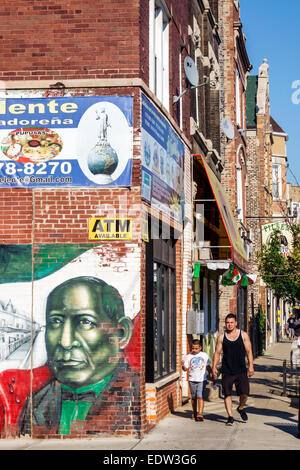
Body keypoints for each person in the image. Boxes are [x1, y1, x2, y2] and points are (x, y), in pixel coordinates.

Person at [20, 276, 136, 436]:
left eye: (85, 322)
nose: (66, 342)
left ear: (121, 333)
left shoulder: (137, 399)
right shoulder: (35, 404)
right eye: (55, 322)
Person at [212, 313, 254, 426]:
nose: (229, 325)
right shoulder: (222, 337)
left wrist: (251, 366)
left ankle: (240, 408)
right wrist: (213, 368)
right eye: (227, 323)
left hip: (241, 369)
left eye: (231, 322)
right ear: (225, 324)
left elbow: (249, 351)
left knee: (244, 393)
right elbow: (217, 353)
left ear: (235, 323)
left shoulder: (243, 335)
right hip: (227, 370)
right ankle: (230, 416)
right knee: (227, 394)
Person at [182, 339, 213, 422]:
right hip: (192, 379)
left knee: (200, 396)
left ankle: (200, 414)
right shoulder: (189, 356)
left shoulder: (204, 355)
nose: (194, 350)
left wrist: (211, 374)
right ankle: (195, 412)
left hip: (202, 380)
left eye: (196, 348)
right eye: (193, 348)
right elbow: (185, 369)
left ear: (200, 348)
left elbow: (208, 366)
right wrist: (183, 364)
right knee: (193, 397)